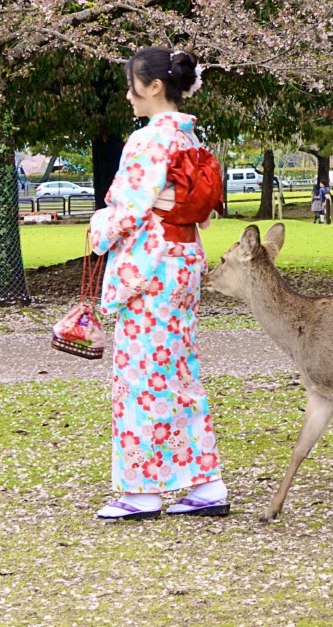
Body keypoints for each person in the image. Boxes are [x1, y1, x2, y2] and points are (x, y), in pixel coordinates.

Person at [88, 47, 227, 521]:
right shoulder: (189, 139)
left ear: (153, 87)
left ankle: (142, 491)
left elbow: (128, 208)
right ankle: (205, 483)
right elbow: (196, 207)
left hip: (150, 272)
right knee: (179, 372)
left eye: (132, 86)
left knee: (141, 378)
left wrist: (98, 228)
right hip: (182, 264)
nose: (129, 96)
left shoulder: (147, 142)